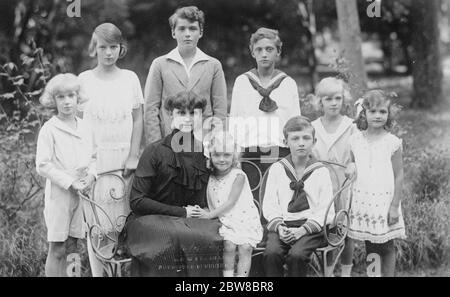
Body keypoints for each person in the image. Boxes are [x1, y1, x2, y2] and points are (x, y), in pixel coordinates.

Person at [121, 91, 223, 277]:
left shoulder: (206, 152)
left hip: (189, 221)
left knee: (209, 237)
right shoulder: (155, 151)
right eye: (181, 113)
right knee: (168, 240)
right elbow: (137, 201)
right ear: (170, 115)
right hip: (150, 219)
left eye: (194, 113)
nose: (188, 119)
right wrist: (181, 212)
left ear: (202, 115)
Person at [78, 22, 144, 276]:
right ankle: (99, 273)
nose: (108, 52)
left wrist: (133, 155)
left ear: (121, 48)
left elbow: (137, 119)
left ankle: (124, 271)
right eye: (103, 47)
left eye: (113, 47)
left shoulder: (129, 79)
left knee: (122, 219)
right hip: (94, 160)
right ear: (94, 48)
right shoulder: (84, 80)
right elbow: (78, 124)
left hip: (123, 158)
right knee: (96, 222)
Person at [36, 73, 96, 277]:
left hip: (82, 192)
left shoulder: (86, 126)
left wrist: (91, 176)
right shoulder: (49, 129)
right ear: (53, 100)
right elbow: (43, 165)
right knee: (58, 247)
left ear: (78, 97)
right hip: (60, 195)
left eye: (71, 95)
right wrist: (69, 182)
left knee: (74, 245)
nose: (67, 101)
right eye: (61, 97)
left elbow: (96, 156)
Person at [229, 27, 301, 199]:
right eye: (259, 50)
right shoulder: (242, 82)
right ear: (252, 53)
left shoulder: (288, 83)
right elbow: (235, 120)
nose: (264, 54)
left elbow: (296, 123)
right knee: (253, 198)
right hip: (250, 153)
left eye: (269, 49)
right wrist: (235, 156)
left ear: (278, 52)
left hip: (280, 152)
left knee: (279, 198)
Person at [144, 6, 227, 145]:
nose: (187, 33)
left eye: (192, 28)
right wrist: (157, 146)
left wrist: (214, 142)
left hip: (202, 143)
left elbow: (220, 110)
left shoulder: (213, 65)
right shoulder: (160, 64)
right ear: (173, 32)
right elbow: (151, 109)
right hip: (169, 142)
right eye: (181, 29)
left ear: (200, 32)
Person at [262, 116, 334, 277]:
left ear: (314, 141)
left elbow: (326, 210)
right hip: (283, 225)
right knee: (271, 253)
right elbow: (270, 204)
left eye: (306, 138)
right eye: (295, 138)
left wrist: (302, 231)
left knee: (297, 255)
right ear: (286, 141)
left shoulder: (321, 172)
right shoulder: (277, 169)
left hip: (312, 228)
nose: (301, 143)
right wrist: (280, 228)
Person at [345, 89, 405, 277]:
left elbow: (399, 175)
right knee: (370, 243)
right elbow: (353, 163)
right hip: (364, 201)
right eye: (373, 111)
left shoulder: (392, 142)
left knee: (386, 246)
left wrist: (394, 206)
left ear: (388, 115)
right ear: (364, 113)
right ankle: (374, 275)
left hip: (384, 202)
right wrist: (350, 166)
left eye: (382, 112)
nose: (378, 116)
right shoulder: (355, 140)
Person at [310, 77, 357, 277]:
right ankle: (328, 271)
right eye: (328, 99)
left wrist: (353, 163)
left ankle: (346, 272)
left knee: (345, 228)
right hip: (321, 185)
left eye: (338, 98)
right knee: (327, 228)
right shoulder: (312, 127)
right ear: (320, 102)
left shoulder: (351, 126)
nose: (334, 103)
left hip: (344, 184)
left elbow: (357, 155)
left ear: (343, 99)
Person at [201, 131, 263, 277]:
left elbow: (231, 202)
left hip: (243, 217)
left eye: (227, 155)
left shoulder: (238, 175)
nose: (222, 159)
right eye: (217, 155)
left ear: (234, 156)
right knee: (228, 245)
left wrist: (210, 215)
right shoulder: (210, 176)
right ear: (210, 156)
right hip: (223, 218)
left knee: (245, 247)